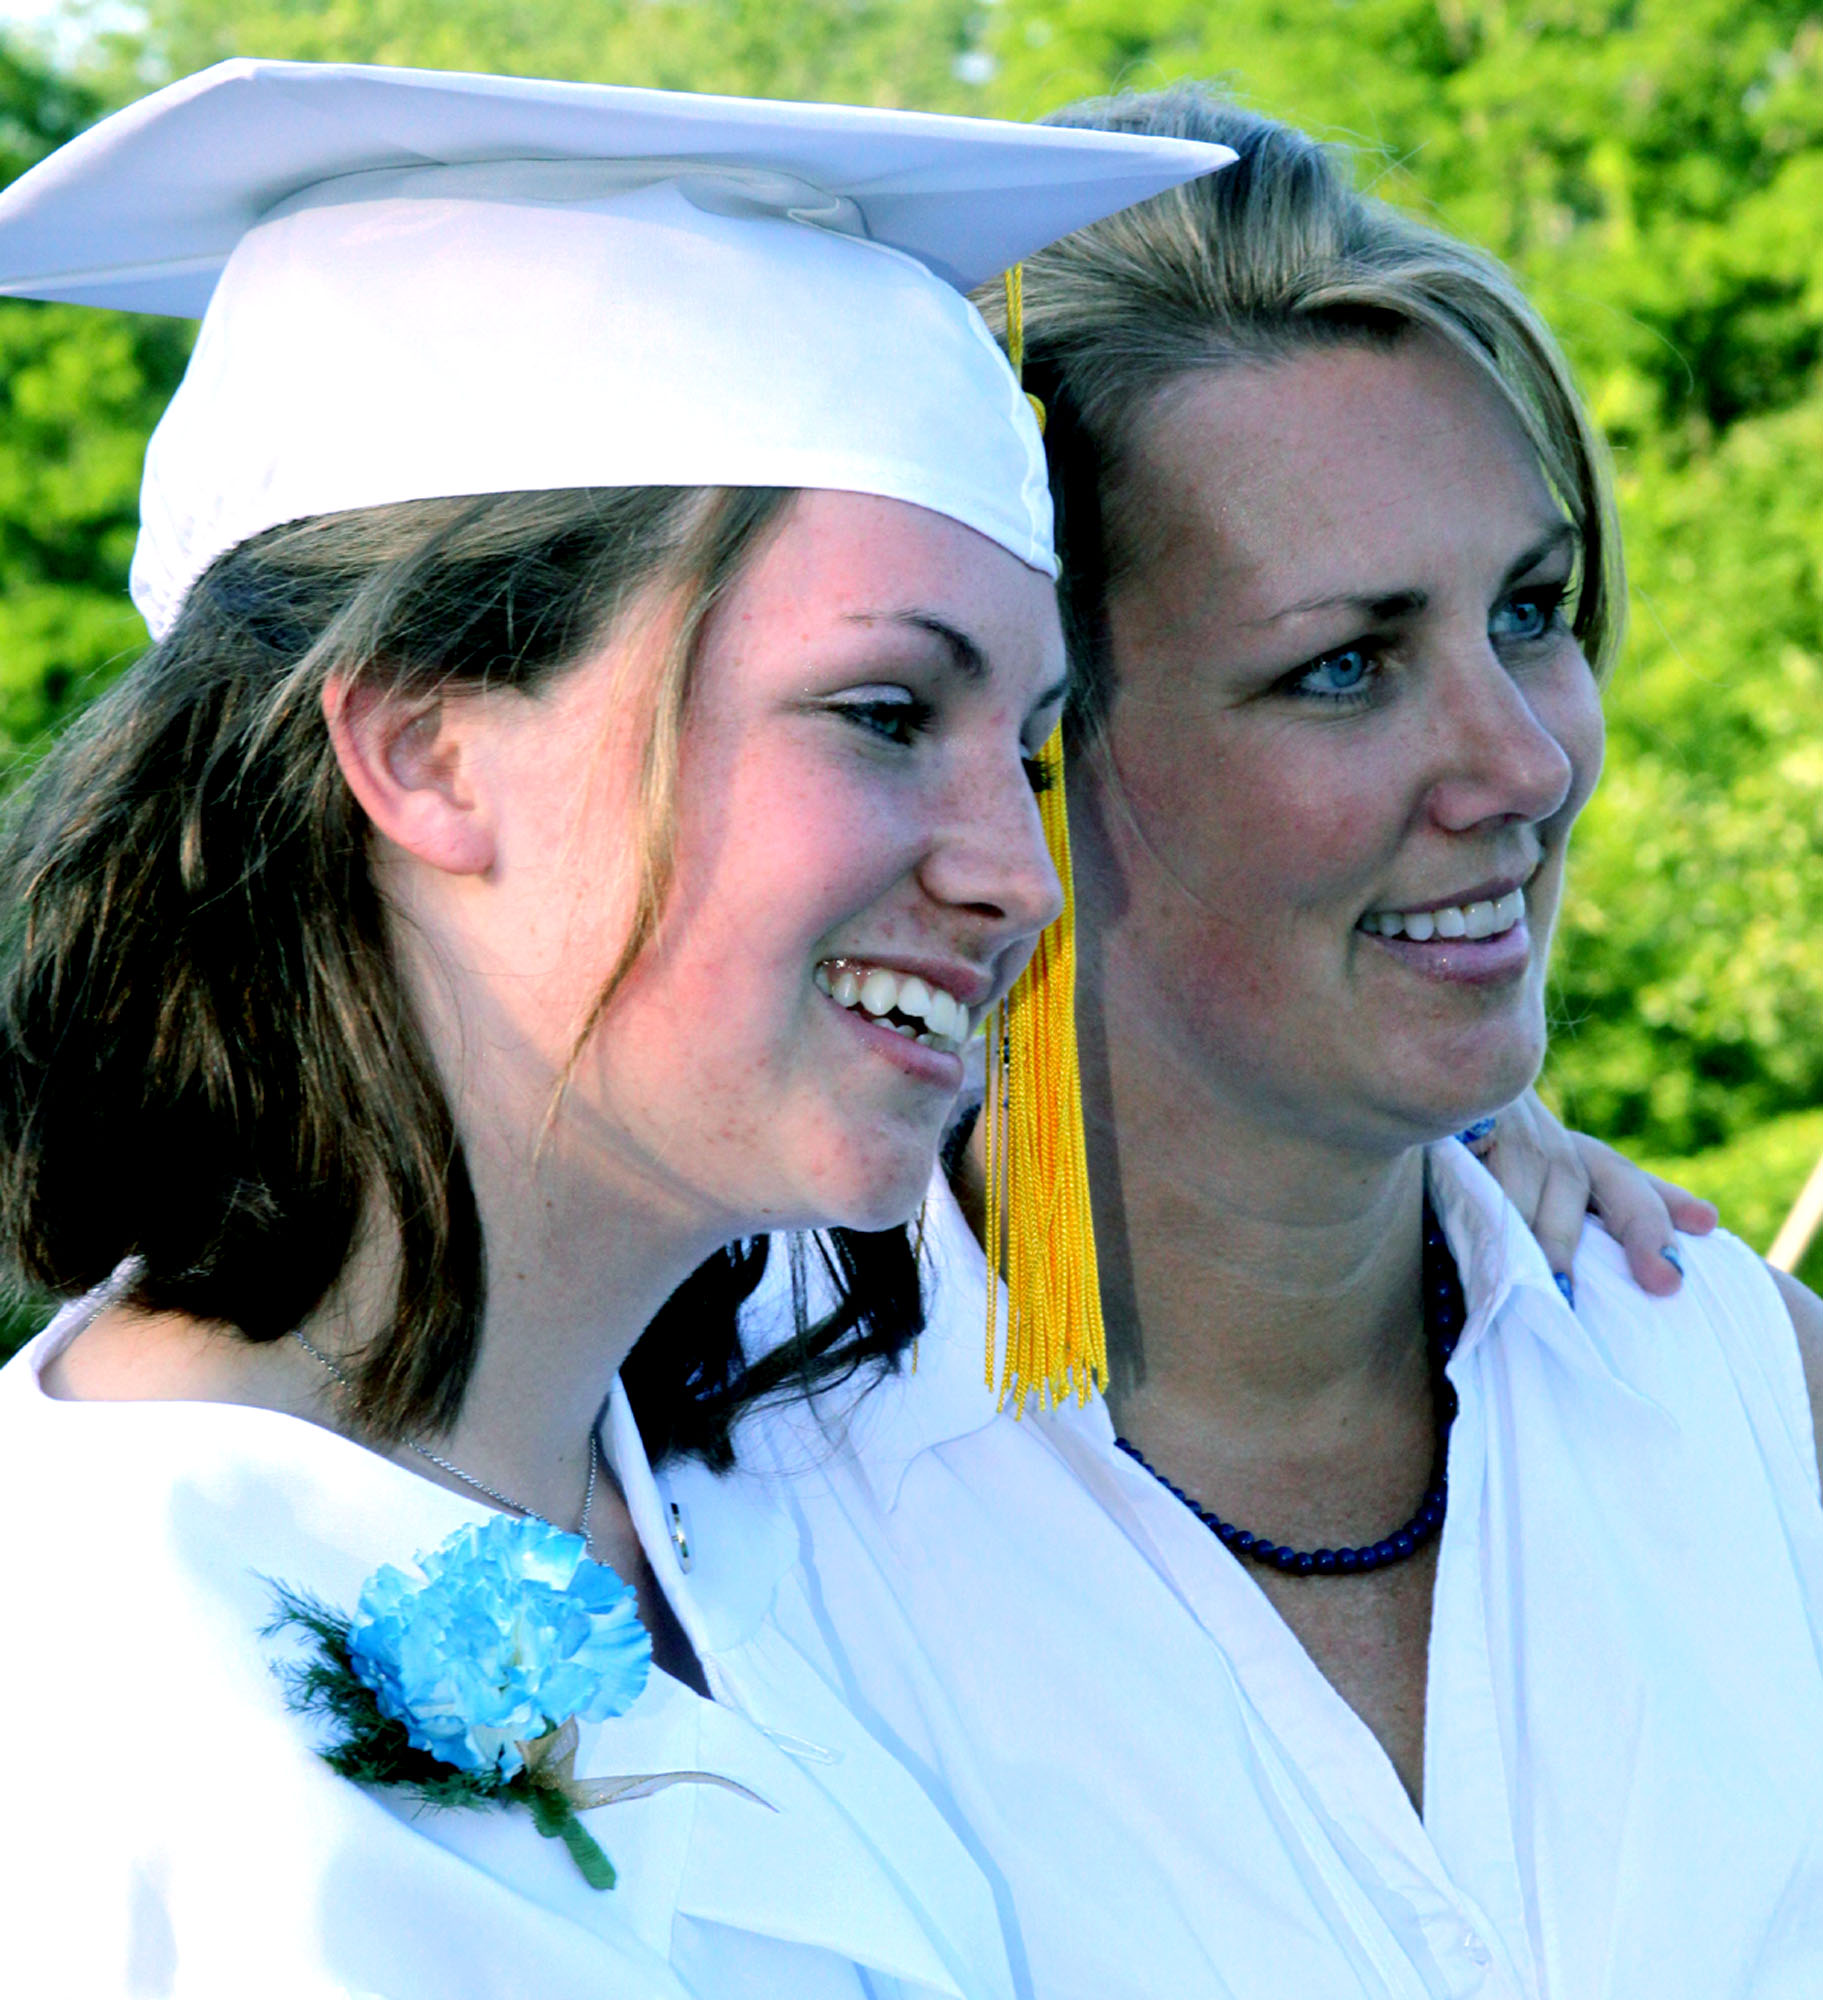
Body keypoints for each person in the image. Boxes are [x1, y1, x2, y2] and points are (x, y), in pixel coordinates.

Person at [0, 59, 1227, 1999]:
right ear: (426, 746)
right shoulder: (109, 1719)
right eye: (886, 714)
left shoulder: (742, 1498)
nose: (1023, 875)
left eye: (1033, 748)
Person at [658, 87, 1823, 2000]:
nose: (1526, 764)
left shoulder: (1741, 1395)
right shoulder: (687, 1517)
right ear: (1020, 749)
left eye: (1533, 613)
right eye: (1344, 665)